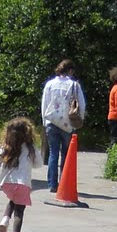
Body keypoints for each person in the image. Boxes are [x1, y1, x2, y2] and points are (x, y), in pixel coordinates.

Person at [0, 117, 37, 232]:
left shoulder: (7, 146)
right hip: (22, 183)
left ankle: (5, 220)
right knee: (19, 211)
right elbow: (39, 163)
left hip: (7, 183)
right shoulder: (30, 148)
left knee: (13, 200)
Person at [40, 59, 85, 193]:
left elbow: (44, 103)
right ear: (70, 71)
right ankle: (63, 184)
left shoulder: (50, 84)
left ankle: (52, 184)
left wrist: (44, 121)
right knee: (66, 154)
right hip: (68, 123)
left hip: (52, 121)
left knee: (53, 153)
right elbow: (81, 104)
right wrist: (80, 119)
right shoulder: (74, 85)